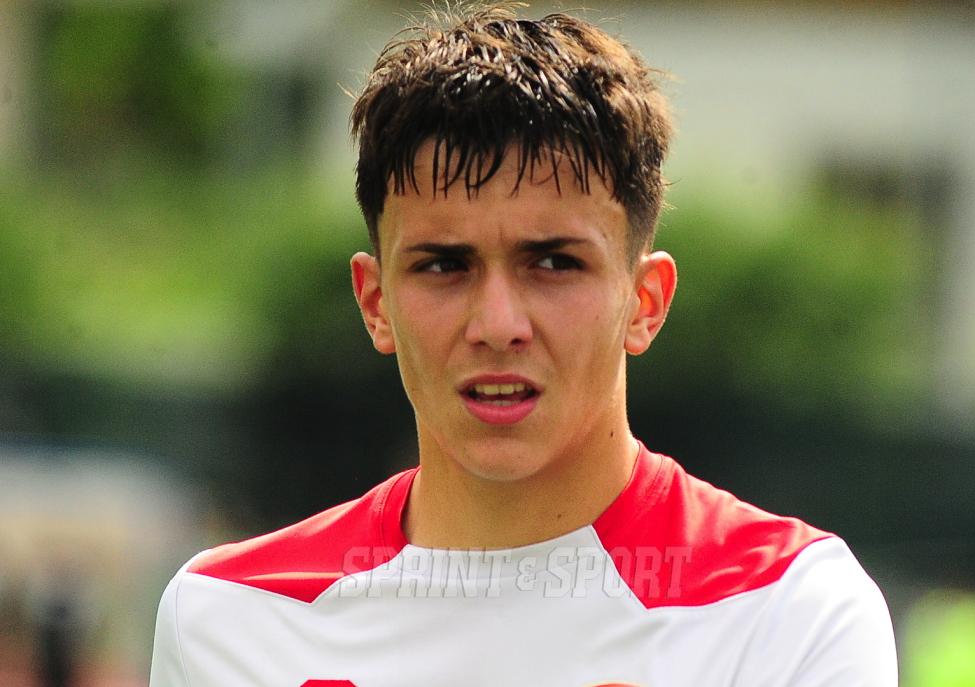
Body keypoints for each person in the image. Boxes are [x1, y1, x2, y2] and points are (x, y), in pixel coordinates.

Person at [150, 5, 897, 685]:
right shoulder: (229, 619)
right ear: (375, 303)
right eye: (445, 265)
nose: (498, 322)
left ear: (645, 302)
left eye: (554, 263)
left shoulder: (787, 611)